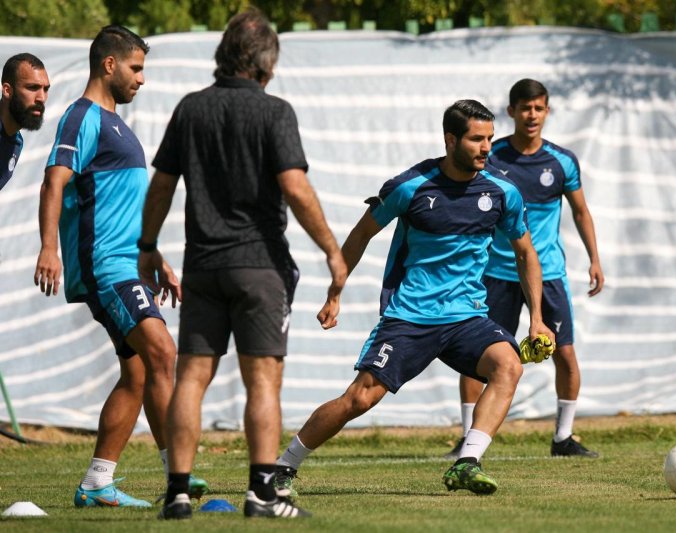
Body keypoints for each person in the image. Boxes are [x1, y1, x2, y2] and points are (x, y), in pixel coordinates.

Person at [272, 99, 554, 502]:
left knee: (508, 365)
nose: (486, 148)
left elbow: (526, 253)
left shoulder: (503, 192)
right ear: (451, 139)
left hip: (467, 316)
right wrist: (335, 292)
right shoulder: (411, 187)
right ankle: (284, 465)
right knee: (359, 399)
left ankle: (468, 461)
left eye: (490, 139)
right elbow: (360, 234)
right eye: (477, 139)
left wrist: (537, 319)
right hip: (410, 316)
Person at [140, 9, 346, 520]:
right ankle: (262, 494)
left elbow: (162, 184)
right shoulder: (276, 112)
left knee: (191, 377)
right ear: (266, 64)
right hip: (259, 266)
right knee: (262, 381)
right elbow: (295, 188)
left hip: (203, 264)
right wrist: (332, 250)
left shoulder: (191, 109)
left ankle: (178, 494)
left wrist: (146, 245)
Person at [33, 25, 208, 508]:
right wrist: (49, 247)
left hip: (129, 265)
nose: (142, 79)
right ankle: (178, 469)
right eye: (136, 68)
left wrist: (155, 259)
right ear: (108, 64)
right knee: (162, 351)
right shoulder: (81, 117)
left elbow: (123, 210)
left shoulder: (119, 125)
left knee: (137, 375)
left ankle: (96, 481)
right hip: (105, 267)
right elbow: (54, 182)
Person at [447, 79, 604, 459]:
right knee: (476, 356)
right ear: (512, 111)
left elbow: (581, 211)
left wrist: (595, 259)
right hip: (497, 273)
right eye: (525, 108)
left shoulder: (562, 161)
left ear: (547, 112)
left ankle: (563, 438)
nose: (531, 115)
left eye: (539, 108)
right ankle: (469, 439)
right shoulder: (492, 156)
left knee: (563, 352)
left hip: (547, 273)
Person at [1, 53, 49, 192]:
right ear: (7, 91)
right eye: (32, 87)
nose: (41, 98)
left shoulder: (16, 143)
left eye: (45, 89)